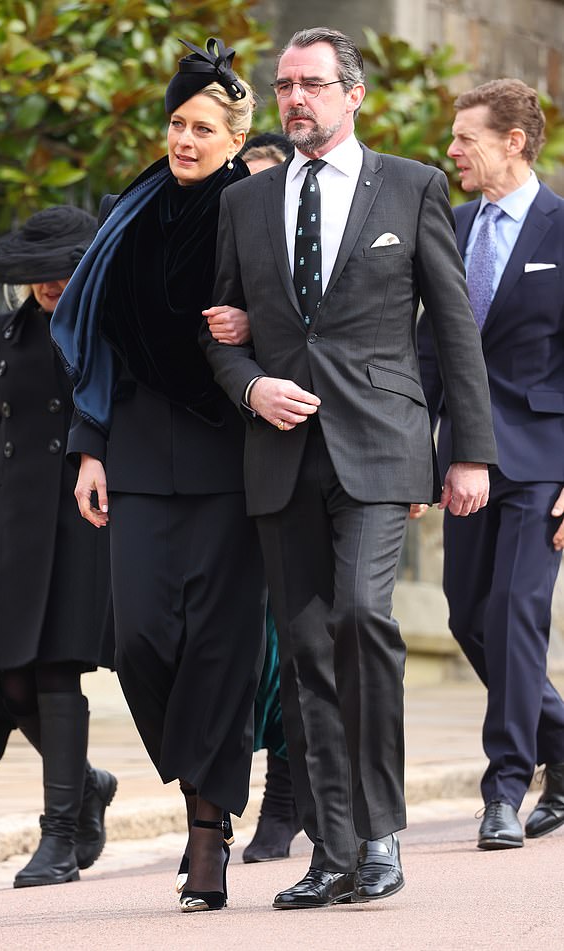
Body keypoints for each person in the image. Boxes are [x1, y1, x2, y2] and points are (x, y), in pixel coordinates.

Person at [201, 26, 497, 909]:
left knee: (364, 618)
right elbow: (222, 333)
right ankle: (330, 850)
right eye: (285, 85)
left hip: (382, 447)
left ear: (352, 94)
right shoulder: (243, 205)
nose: (296, 98)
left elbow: (452, 328)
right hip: (281, 453)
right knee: (303, 647)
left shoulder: (412, 188)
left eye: (313, 85)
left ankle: (379, 834)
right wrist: (252, 388)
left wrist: (470, 449)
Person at [50, 38, 266, 914]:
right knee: (140, 638)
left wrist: (249, 319)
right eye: (177, 123)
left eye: (202, 127)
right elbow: (96, 342)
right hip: (135, 452)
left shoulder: (255, 210)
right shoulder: (125, 214)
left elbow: (292, 316)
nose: (184, 139)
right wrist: (90, 448)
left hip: (227, 457)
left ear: (231, 134)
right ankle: (200, 769)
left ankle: (207, 833)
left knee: (219, 647)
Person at [0, 206, 116, 888]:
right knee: (10, 682)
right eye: (36, 274)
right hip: (13, 526)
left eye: (60, 272)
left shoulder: (105, 329)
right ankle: (88, 782)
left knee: (54, 670)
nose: (48, 285)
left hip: (80, 519)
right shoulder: (5, 333)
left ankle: (60, 837)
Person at [416, 78, 564, 850]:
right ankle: (562, 741)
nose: (450, 151)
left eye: (465, 136)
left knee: (513, 613)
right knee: (468, 615)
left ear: (513, 140)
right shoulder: (453, 223)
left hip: (544, 459)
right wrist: (415, 458)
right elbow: (429, 351)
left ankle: (506, 786)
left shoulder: (563, 228)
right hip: (462, 460)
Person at [235, 133, 303, 866]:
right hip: (222, 463)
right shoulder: (222, 235)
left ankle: (284, 801)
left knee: (288, 642)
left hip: (297, 453)